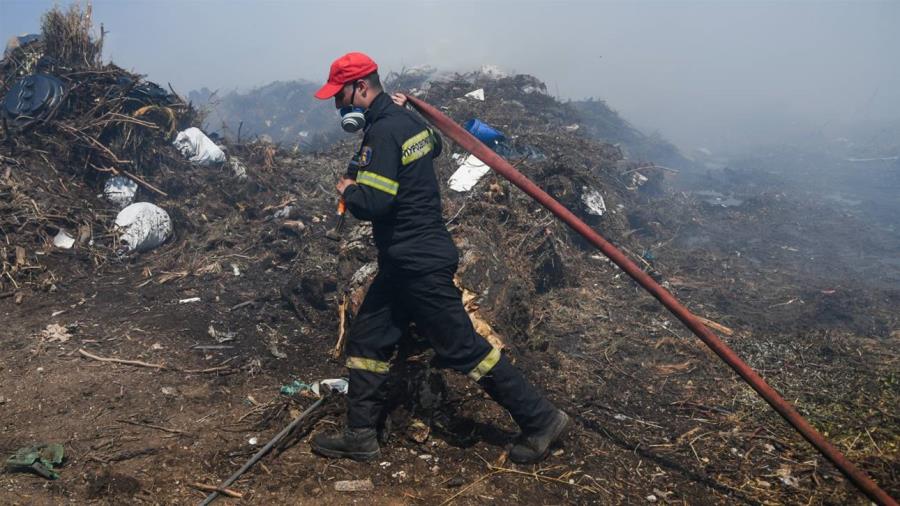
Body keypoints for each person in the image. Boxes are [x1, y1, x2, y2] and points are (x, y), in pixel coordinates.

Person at [310, 52, 569, 464]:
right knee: (368, 339)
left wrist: (347, 190)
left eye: (340, 97)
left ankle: (540, 419)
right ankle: (360, 434)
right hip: (403, 262)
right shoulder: (406, 122)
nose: (337, 107)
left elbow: (374, 203)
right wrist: (397, 115)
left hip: (417, 262)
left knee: (463, 348)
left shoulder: (383, 133)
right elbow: (436, 145)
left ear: (361, 87)